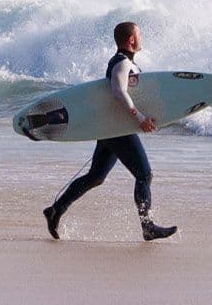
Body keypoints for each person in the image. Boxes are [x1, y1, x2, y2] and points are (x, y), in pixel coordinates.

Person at [43, 21, 178, 242]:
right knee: (144, 174)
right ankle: (148, 226)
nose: (142, 38)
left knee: (96, 176)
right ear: (131, 40)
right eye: (140, 34)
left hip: (111, 127)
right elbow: (118, 91)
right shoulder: (122, 63)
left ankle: (55, 210)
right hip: (118, 130)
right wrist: (140, 118)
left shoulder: (125, 63)